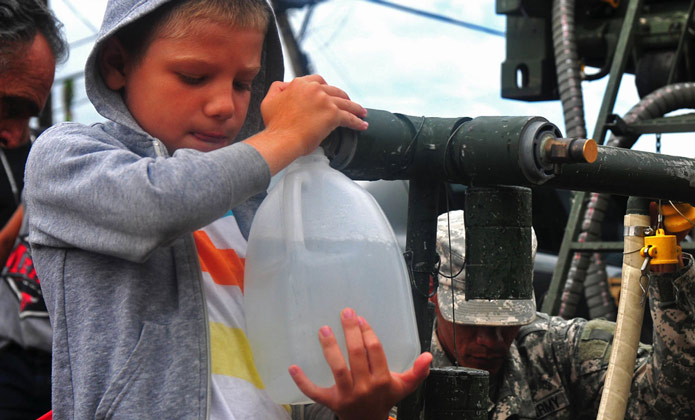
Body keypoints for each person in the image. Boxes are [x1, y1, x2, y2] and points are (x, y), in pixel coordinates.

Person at [23, 0, 430, 419]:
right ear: (117, 64)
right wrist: (287, 135)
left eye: (243, 83)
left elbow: (295, 370)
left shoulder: (263, 207)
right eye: (194, 77)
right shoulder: (66, 158)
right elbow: (158, 205)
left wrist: (353, 410)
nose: (225, 106)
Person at [428, 209, 695, 419]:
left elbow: (680, 404)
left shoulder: (556, 352)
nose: (490, 339)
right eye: (472, 318)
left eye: (508, 320)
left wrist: (667, 264)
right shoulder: (398, 360)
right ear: (433, 290)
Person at [0, 0, 67, 418]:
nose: (16, 133)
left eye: (29, 112)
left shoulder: (50, 155)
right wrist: (28, 209)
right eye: (8, 106)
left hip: (62, 357)